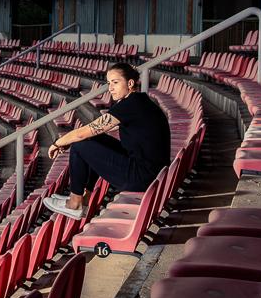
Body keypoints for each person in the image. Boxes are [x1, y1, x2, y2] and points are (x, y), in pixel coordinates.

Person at [42, 62, 171, 219]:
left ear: (130, 83)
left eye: (115, 82)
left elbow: (82, 134)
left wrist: (57, 143)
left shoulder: (130, 106)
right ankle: (85, 197)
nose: (110, 88)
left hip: (141, 176)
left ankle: (75, 202)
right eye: (109, 83)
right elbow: (94, 131)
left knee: (80, 144)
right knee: (96, 139)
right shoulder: (138, 102)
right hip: (149, 171)